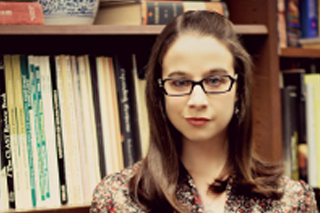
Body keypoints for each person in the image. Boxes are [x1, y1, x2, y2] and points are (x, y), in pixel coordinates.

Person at [90, 10, 317, 213]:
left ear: (238, 89)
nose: (197, 100)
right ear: (160, 92)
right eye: (180, 82)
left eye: (215, 80)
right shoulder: (117, 200)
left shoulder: (291, 201)